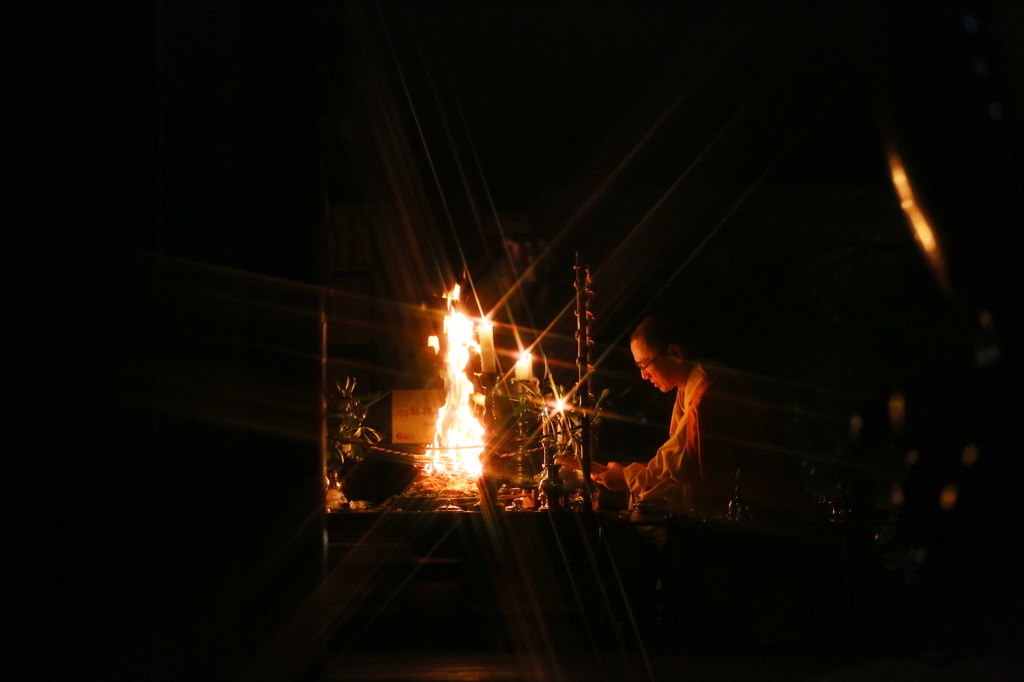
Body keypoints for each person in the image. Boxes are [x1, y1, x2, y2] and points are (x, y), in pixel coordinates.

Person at [592, 313, 799, 521]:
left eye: (644, 365)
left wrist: (627, 478)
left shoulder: (708, 395)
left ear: (674, 353)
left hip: (752, 514)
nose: (644, 376)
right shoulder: (690, 388)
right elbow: (674, 461)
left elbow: (684, 466)